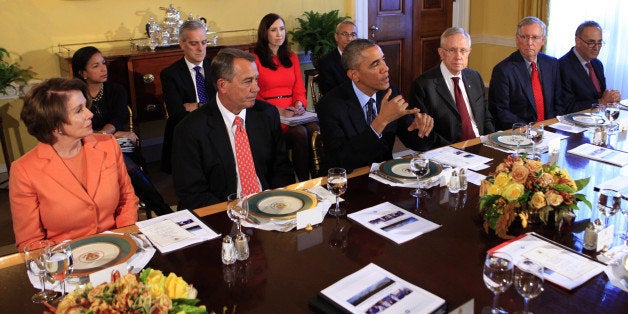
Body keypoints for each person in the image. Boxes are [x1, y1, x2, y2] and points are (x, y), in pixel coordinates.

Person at [10, 78, 138, 251]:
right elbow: (30, 242)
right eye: (79, 110)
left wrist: (124, 241)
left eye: (85, 106)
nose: (89, 114)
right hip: (66, 262)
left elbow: (127, 199)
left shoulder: (108, 144)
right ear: (54, 124)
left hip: (117, 248)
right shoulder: (24, 170)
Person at [172, 48, 295, 210]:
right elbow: (192, 193)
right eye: (247, 81)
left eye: (256, 80)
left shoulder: (266, 114)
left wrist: (275, 204)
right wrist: (235, 212)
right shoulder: (190, 129)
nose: (256, 88)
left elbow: (281, 168)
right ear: (222, 85)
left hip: (268, 205)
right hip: (221, 212)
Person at [72, 46, 172, 216]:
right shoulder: (75, 96)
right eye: (95, 66)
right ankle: (162, 211)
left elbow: (118, 120)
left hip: (115, 142)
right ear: (83, 73)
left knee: (127, 161)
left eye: (104, 63)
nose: (104, 69)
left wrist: (108, 134)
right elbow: (77, 129)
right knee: (125, 164)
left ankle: (160, 209)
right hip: (84, 145)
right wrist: (115, 134)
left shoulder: (116, 90)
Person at [316, 39, 436, 172]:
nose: (385, 68)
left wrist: (422, 129)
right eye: (375, 64)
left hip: (384, 176)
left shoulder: (391, 93)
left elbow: (416, 143)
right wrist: (381, 121)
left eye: (383, 59)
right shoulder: (330, 105)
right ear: (355, 75)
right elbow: (342, 161)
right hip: (349, 181)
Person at [253, 13, 319, 181]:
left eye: (282, 29)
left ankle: (318, 178)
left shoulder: (292, 57)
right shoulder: (255, 58)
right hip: (269, 114)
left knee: (314, 129)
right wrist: (279, 111)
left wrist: (299, 104)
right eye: (274, 30)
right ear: (264, 33)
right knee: (300, 133)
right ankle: (303, 181)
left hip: (293, 112)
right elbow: (255, 93)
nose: (279, 34)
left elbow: (298, 87)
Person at [410, 27, 494, 145]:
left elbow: (485, 116)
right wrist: (454, 149)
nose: (458, 56)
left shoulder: (475, 77)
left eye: (463, 50)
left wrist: (490, 140)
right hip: (449, 150)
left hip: (481, 144)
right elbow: (426, 132)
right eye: (452, 50)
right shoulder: (423, 85)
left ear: (469, 52)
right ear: (441, 53)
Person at [489, 16, 565, 130]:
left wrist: (555, 126)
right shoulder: (503, 70)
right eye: (524, 37)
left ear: (543, 40)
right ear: (517, 39)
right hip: (520, 133)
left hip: (550, 130)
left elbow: (559, 102)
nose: (529, 43)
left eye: (534, 37)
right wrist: (529, 130)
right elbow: (501, 111)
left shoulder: (552, 64)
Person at [161, 20, 216, 173]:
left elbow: (227, 103)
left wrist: (196, 105)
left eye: (204, 42)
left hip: (216, 124)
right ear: (182, 45)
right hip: (186, 127)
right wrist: (209, 105)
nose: (200, 49)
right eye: (194, 43)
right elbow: (176, 112)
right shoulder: (170, 74)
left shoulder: (217, 68)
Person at [559, 20, 621, 114]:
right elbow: (568, 107)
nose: (596, 48)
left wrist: (612, 97)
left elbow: (601, 95)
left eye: (599, 43)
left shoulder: (597, 64)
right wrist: (602, 102)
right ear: (578, 41)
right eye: (591, 43)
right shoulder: (562, 66)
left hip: (597, 120)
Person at [317, 20, 358, 95]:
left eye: (353, 34)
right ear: (336, 37)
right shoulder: (326, 62)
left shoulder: (363, 58)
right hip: (341, 103)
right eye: (345, 34)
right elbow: (328, 92)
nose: (349, 38)